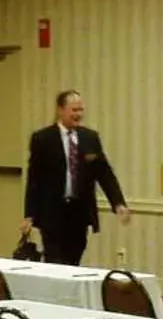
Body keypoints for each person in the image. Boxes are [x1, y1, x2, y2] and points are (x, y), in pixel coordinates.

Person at [21, 89, 129, 267]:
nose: (78, 114)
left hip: (79, 212)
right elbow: (34, 179)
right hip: (52, 212)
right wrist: (29, 215)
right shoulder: (43, 138)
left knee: (73, 260)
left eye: (81, 110)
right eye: (74, 110)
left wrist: (118, 203)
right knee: (55, 261)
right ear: (61, 110)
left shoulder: (90, 138)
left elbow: (104, 173)